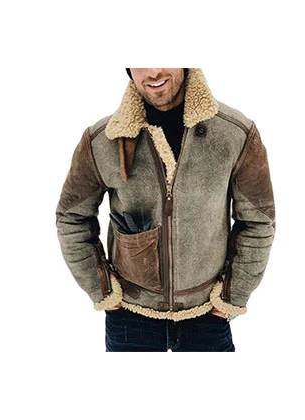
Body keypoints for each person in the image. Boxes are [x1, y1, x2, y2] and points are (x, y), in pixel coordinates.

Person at [55, 68, 276, 351]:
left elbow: (258, 222)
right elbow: (71, 218)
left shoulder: (234, 133)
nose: (153, 71)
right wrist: (103, 291)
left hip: (208, 316)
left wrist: (232, 296)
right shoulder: (103, 139)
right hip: (129, 317)